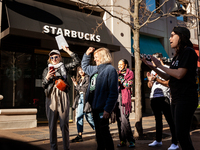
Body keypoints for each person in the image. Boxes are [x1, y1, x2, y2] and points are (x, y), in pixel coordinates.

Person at [142, 26, 198, 150]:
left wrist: (159, 65)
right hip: (176, 98)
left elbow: (179, 74)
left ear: (182, 37)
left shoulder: (188, 51)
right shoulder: (176, 56)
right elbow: (169, 76)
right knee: (181, 134)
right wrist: (153, 67)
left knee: (181, 134)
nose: (170, 38)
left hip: (186, 98)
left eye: (173, 35)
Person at [42, 46, 80, 150]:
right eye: (52, 57)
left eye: (56, 57)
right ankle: (53, 148)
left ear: (60, 57)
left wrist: (68, 51)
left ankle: (66, 147)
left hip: (63, 94)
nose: (54, 59)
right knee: (52, 125)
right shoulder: (46, 70)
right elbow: (43, 85)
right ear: (50, 59)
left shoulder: (64, 67)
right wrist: (47, 78)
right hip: (51, 95)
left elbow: (77, 61)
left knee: (64, 124)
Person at [81, 47, 118, 150]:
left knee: (104, 132)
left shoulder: (110, 70)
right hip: (95, 106)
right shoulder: (95, 69)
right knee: (98, 133)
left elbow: (113, 92)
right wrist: (87, 54)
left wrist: (107, 109)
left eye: (96, 57)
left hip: (103, 108)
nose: (95, 59)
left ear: (102, 57)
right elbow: (84, 67)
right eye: (94, 57)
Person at [146, 53, 178, 150]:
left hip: (164, 97)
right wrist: (150, 80)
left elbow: (168, 84)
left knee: (170, 120)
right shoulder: (153, 70)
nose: (152, 62)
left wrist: (156, 78)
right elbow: (149, 86)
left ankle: (175, 143)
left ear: (159, 59)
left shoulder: (167, 68)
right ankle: (158, 140)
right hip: (154, 98)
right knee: (157, 120)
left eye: (153, 60)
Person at [71, 66, 95, 142]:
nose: (81, 71)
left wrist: (76, 85)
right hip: (80, 99)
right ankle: (79, 135)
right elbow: (78, 89)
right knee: (79, 117)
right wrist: (75, 84)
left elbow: (84, 89)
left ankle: (99, 130)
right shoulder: (80, 79)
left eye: (82, 70)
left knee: (89, 118)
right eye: (79, 70)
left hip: (85, 99)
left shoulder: (88, 78)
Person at [115, 59, 135, 148]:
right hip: (117, 98)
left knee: (125, 120)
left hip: (125, 99)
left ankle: (131, 140)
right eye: (118, 64)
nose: (119, 66)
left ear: (126, 65)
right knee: (119, 120)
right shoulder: (117, 73)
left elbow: (129, 84)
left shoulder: (129, 73)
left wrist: (121, 78)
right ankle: (122, 140)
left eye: (121, 64)